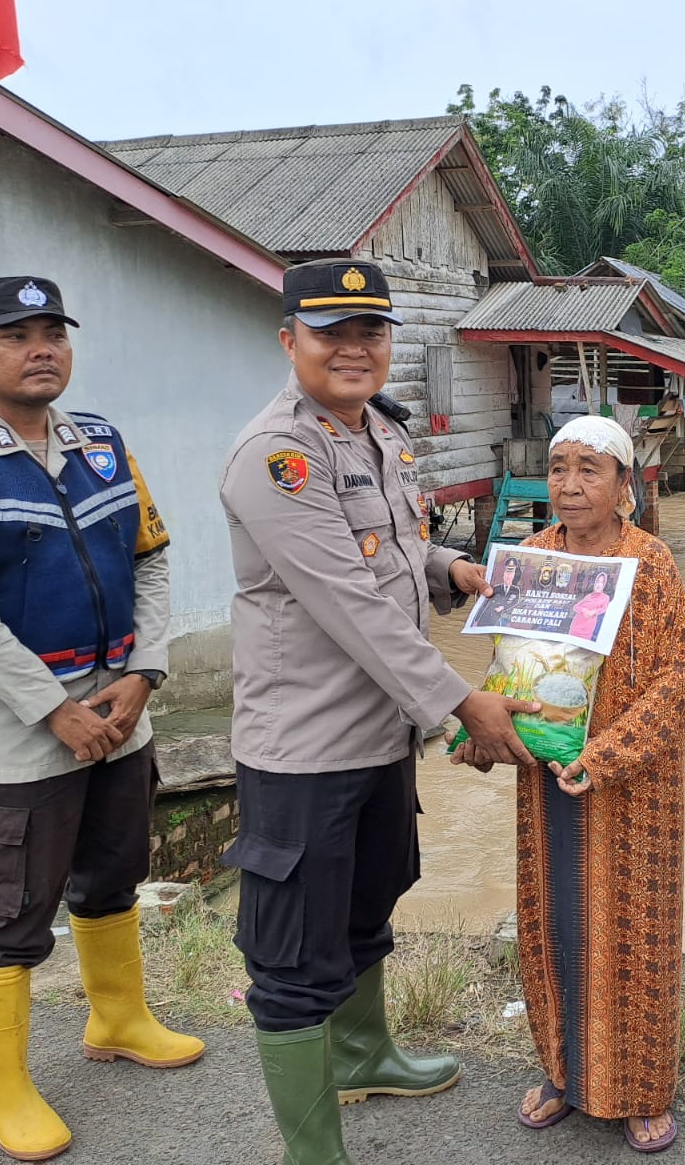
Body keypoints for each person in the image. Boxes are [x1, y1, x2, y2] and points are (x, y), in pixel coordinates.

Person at [218, 259, 540, 1165]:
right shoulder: (276, 457)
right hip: (305, 748)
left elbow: (394, 551)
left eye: (371, 332)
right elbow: (349, 604)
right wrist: (462, 704)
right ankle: (313, 1153)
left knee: (367, 907)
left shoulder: (376, 436)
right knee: (290, 963)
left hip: (378, 737)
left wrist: (454, 571)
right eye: (332, 334)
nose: (355, 350)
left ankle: (363, 1054)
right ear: (291, 343)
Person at [0, 275, 202, 1163]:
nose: (41, 349)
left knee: (114, 869)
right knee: (7, 907)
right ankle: (5, 1086)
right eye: (13, 335)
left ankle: (118, 1016)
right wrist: (53, 711)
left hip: (119, 703)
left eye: (52, 332)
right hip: (19, 722)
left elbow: (151, 556)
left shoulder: (103, 442)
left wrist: (145, 673)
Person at [453, 415, 685, 1154]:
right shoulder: (528, 559)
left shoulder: (650, 564)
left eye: (590, 467)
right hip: (545, 778)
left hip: (631, 792)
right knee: (552, 924)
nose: (569, 483)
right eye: (559, 467)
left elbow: (673, 682)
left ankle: (643, 1089)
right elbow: (511, 668)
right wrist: (485, 734)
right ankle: (562, 1072)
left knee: (635, 933)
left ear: (626, 484)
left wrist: (607, 754)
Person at [568, 569, 612, 640]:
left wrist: (594, 612)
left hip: (587, 629)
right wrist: (583, 610)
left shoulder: (605, 597)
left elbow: (604, 609)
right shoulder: (589, 595)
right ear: (594, 582)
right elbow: (575, 607)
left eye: (602, 582)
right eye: (598, 581)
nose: (599, 584)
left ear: (604, 585)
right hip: (575, 627)